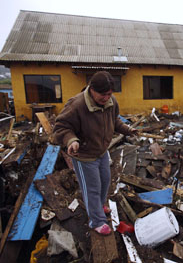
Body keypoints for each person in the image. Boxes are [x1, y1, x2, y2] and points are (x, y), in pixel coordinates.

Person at [53, 71, 137, 235]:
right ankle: (96, 221)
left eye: (109, 94)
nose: (106, 98)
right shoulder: (77, 105)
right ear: (92, 89)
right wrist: (71, 140)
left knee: (105, 182)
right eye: (103, 95)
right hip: (84, 155)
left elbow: (115, 120)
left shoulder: (111, 101)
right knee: (92, 188)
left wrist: (127, 130)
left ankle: (98, 206)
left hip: (101, 151)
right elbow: (61, 127)